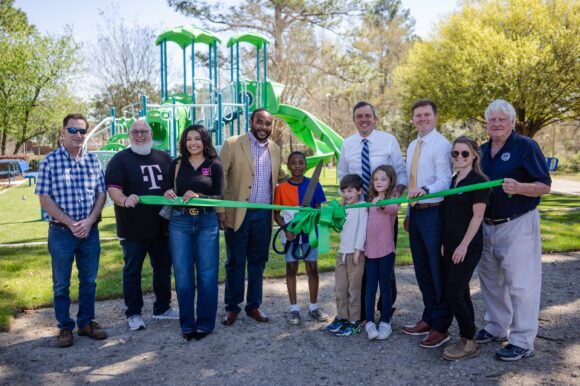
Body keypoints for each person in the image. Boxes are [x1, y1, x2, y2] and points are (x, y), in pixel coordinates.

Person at [476, 99, 551, 361]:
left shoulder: (525, 146)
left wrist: (520, 188)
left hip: (518, 223)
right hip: (485, 225)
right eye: (491, 120)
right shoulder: (482, 151)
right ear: (486, 124)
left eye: (501, 119)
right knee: (491, 281)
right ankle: (497, 327)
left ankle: (522, 340)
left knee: (521, 284)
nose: (496, 124)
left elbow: (544, 185)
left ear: (512, 121)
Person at [35, 113, 107, 348]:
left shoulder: (93, 161)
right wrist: (69, 222)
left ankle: (86, 323)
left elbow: (101, 194)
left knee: (89, 280)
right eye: (73, 130)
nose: (78, 135)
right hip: (61, 233)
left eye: (82, 131)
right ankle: (65, 326)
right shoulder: (49, 161)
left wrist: (89, 221)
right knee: (61, 283)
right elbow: (44, 198)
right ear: (62, 133)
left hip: (90, 232)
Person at [105, 119, 179, 331]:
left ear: (150, 134)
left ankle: (162, 308)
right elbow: (113, 189)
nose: (140, 136)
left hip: (162, 226)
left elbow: (175, 184)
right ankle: (134, 313)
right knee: (132, 271)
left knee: (163, 269)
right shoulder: (119, 160)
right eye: (135, 132)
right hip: (133, 228)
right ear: (129, 134)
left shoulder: (164, 157)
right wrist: (124, 200)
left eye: (144, 132)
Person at [337, 101, 406, 321]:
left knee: (385, 255)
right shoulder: (347, 144)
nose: (364, 119)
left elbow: (401, 174)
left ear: (375, 119)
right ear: (354, 120)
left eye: (368, 115)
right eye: (359, 116)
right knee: (361, 258)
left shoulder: (388, 141)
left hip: (384, 210)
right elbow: (343, 175)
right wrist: (349, 200)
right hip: (359, 209)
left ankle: (386, 306)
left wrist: (390, 201)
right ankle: (363, 312)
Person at [219, 108, 288, 326]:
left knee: (258, 262)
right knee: (235, 261)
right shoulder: (232, 144)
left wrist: (305, 185)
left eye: (268, 124)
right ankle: (232, 307)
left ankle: (254, 306)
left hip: (263, 215)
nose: (264, 128)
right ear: (251, 122)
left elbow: (281, 177)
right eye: (260, 122)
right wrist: (219, 211)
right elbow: (219, 180)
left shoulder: (275, 149)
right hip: (238, 213)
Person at [163, 125, 224, 341]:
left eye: (197, 138)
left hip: (207, 222)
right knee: (183, 275)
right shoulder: (177, 164)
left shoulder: (214, 165)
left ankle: (205, 323)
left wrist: (198, 195)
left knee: (207, 274)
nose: (193, 143)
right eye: (189, 139)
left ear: (205, 141)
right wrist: (168, 192)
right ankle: (187, 324)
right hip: (180, 222)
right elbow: (167, 189)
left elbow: (220, 197)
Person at [403, 99, 453, 348]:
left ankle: (441, 327)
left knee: (436, 270)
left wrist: (425, 190)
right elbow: (411, 180)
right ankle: (428, 316)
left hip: (434, 213)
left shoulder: (442, 145)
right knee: (421, 270)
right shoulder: (413, 145)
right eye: (418, 116)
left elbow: (445, 180)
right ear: (413, 119)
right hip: (416, 213)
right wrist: (408, 212)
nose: (422, 119)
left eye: (426, 115)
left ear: (435, 117)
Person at [440, 136, 489, 361]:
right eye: (455, 153)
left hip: (467, 247)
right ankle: (469, 334)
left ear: (474, 155)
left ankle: (468, 342)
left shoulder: (478, 181)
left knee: (453, 295)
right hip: (449, 245)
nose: (459, 157)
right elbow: (450, 216)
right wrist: (445, 244)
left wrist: (462, 245)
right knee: (461, 292)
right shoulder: (453, 180)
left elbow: (477, 217)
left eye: (464, 153)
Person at [273, 151, 328, 325]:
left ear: (305, 165)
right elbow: (277, 214)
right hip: (290, 236)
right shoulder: (281, 188)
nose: (297, 166)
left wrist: (311, 221)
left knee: (312, 269)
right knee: (291, 269)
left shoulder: (315, 185)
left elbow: (319, 210)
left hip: (310, 234)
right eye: (293, 163)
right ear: (288, 165)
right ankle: (294, 309)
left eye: (300, 163)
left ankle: (313, 307)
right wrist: (286, 229)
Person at [326, 174, 368, 337]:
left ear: (359, 191)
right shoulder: (343, 208)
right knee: (340, 288)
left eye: (350, 191)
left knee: (353, 290)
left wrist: (358, 250)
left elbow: (362, 228)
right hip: (342, 254)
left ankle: (354, 322)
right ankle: (342, 317)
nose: (346, 194)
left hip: (355, 254)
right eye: (344, 191)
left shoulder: (362, 206)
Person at [364, 165, 399, 341]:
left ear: (390, 181)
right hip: (369, 252)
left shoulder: (392, 199)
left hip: (386, 251)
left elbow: (392, 209)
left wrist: (382, 202)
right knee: (370, 288)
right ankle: (369, 322)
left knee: (385, 287)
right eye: (376, 179)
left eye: (383, 179)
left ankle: (385, 321)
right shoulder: (369, 199)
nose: (379, 182)